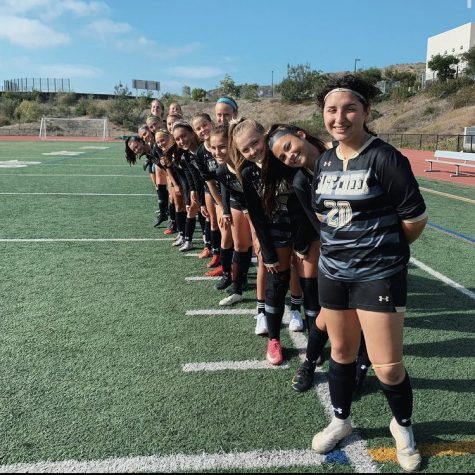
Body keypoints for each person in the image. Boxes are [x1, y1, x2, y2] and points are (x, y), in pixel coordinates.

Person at [309, 75, 427, 473]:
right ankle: (341, 420)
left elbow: (414, 217)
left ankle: (404, 428)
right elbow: (324, 213)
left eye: (349, 109)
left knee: (388, 367)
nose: (339, 117)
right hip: (333, 272)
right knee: (341, 353)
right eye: (331, 110)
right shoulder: (324, 160)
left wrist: (388, 250)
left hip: (378, 274)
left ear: (366, 112)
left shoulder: (385, 157)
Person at [230, 118, 303, 365]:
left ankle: (308, 325)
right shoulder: (248, 173)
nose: (253, 151)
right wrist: (268, 252)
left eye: (255, 142)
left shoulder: (286, 160)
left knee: (311, 282)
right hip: (276, 233)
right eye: (245, 149)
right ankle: (274, 339)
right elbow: (257, 217)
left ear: (265, 135)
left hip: (304, 231)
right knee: (277, 281)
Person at [209, 125, 253, 306]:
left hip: (258, 207)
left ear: (233, 144)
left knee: (260, 248)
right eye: (213, 148)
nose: (217, 152)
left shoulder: (248, 164)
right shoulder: (221, 170)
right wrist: (226, 210)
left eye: (222, 146)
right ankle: (237, 288)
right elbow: (228, 191)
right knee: (240, 245)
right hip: (239, 203)